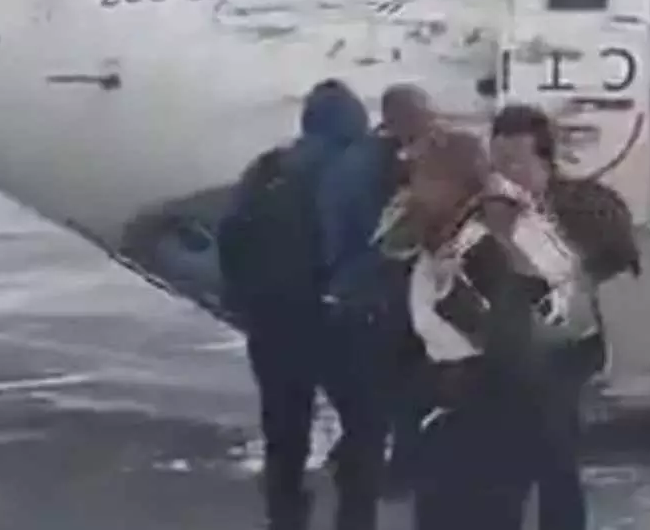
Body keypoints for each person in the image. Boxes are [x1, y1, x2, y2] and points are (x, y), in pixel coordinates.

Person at [217, 79, 388, 530]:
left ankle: (286, 517)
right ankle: (355, 518)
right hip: (335, 322)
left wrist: (242, 299)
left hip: (272, 323)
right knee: (366, 426)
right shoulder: (356, 165)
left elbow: (230, 233)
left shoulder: (268, 167)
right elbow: (370, 240)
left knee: (285, 432)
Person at [406, 130, 547, 530]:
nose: (414, 189)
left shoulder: (484, 244)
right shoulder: (446, 235)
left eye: (423, 178)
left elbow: (508, 333)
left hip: (485, 413)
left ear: (453, 183)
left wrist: (454, 299)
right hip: (464, 406)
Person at [486, 104, 603, 530]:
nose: (504, 174)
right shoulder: (486, 208)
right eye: (496, 162)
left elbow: (576, 283)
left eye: (516, 162)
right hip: (500, 361)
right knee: (503, 477)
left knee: (556, 469)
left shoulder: (578, 208)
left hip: (557, 358)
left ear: (545, 162)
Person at [317, 83, 438, 494]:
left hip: (363, 291)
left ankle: (358, 456)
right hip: (387, 292)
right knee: (403, 385)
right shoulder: (395, 167)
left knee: (374, 386)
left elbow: (334, 231)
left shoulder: (352, 163)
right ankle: (393, 468)